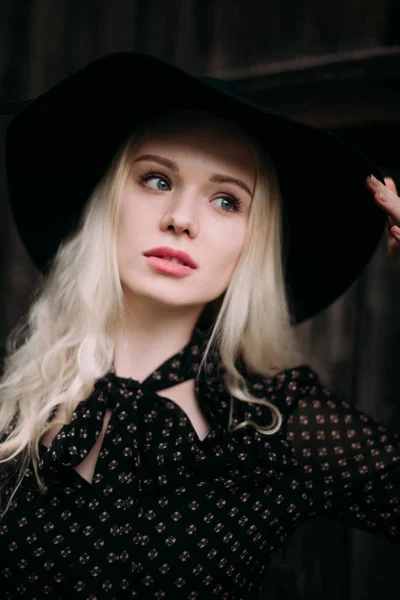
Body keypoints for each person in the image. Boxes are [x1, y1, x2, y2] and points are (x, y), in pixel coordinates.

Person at [0, 51, 399, 600]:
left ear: (252, 243)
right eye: (157, 180)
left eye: (226, 200)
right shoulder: (10, 398)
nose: (182, 219)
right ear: (108, 202)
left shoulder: (279, 419)